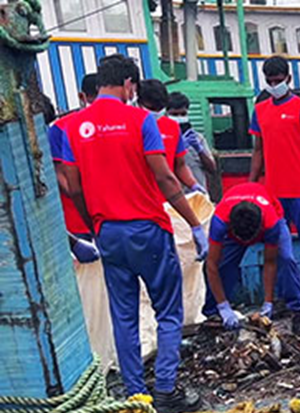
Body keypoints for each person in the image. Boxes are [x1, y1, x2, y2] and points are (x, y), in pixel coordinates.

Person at [61, 54, 208, 412]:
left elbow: (73, 186)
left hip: (107, 232)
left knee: (124, 315)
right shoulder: (141, 120)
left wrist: (94, 224)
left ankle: (135, 395)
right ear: (129, 84)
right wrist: (194, 224)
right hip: (148, 230)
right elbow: (165, 178)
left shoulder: (73, 126)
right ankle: (167, 391)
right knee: (169, 312)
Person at [248, 56, 300, 306]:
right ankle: (285, 295)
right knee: (277, 247)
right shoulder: (259, 111)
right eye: (269, 82)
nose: (274, 85)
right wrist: (251, 186)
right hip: (274, 192)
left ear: (288, 79)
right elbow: (257, 151)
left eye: (278, 81)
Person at [204, 182, 300, 333]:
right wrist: (223, 306)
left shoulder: (271, 223)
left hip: (271, 217)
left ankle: (297, 310)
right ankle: (214, 312)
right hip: (234, 229)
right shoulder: (219, 222)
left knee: (286, 258)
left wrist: (268, 302)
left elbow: (270, 262)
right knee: (223, 265)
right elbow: (211, 265)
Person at [47, 73, 100, 263]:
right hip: (77, 221)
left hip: (111, 220)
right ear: (82, 97)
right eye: (93, 99)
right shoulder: (61, 129)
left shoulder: (114, 125)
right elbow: (60, 175)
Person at [138, 80, 205, 194]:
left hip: (168, 196)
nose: (156, 112)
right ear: (139, 103)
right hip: (142, 194)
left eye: (159, 108)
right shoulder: (132, 125)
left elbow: (180, 165)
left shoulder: (172, 127)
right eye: (152, 108)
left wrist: (193, 184)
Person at [166, 92, 217, 192]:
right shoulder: (162, 138)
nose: (179, 117)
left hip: (198, 196)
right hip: (175, 197)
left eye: (183, 114)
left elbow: (212, 169)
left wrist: (199, 150)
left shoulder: (197, 138)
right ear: (167, 113)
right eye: (175, 114)